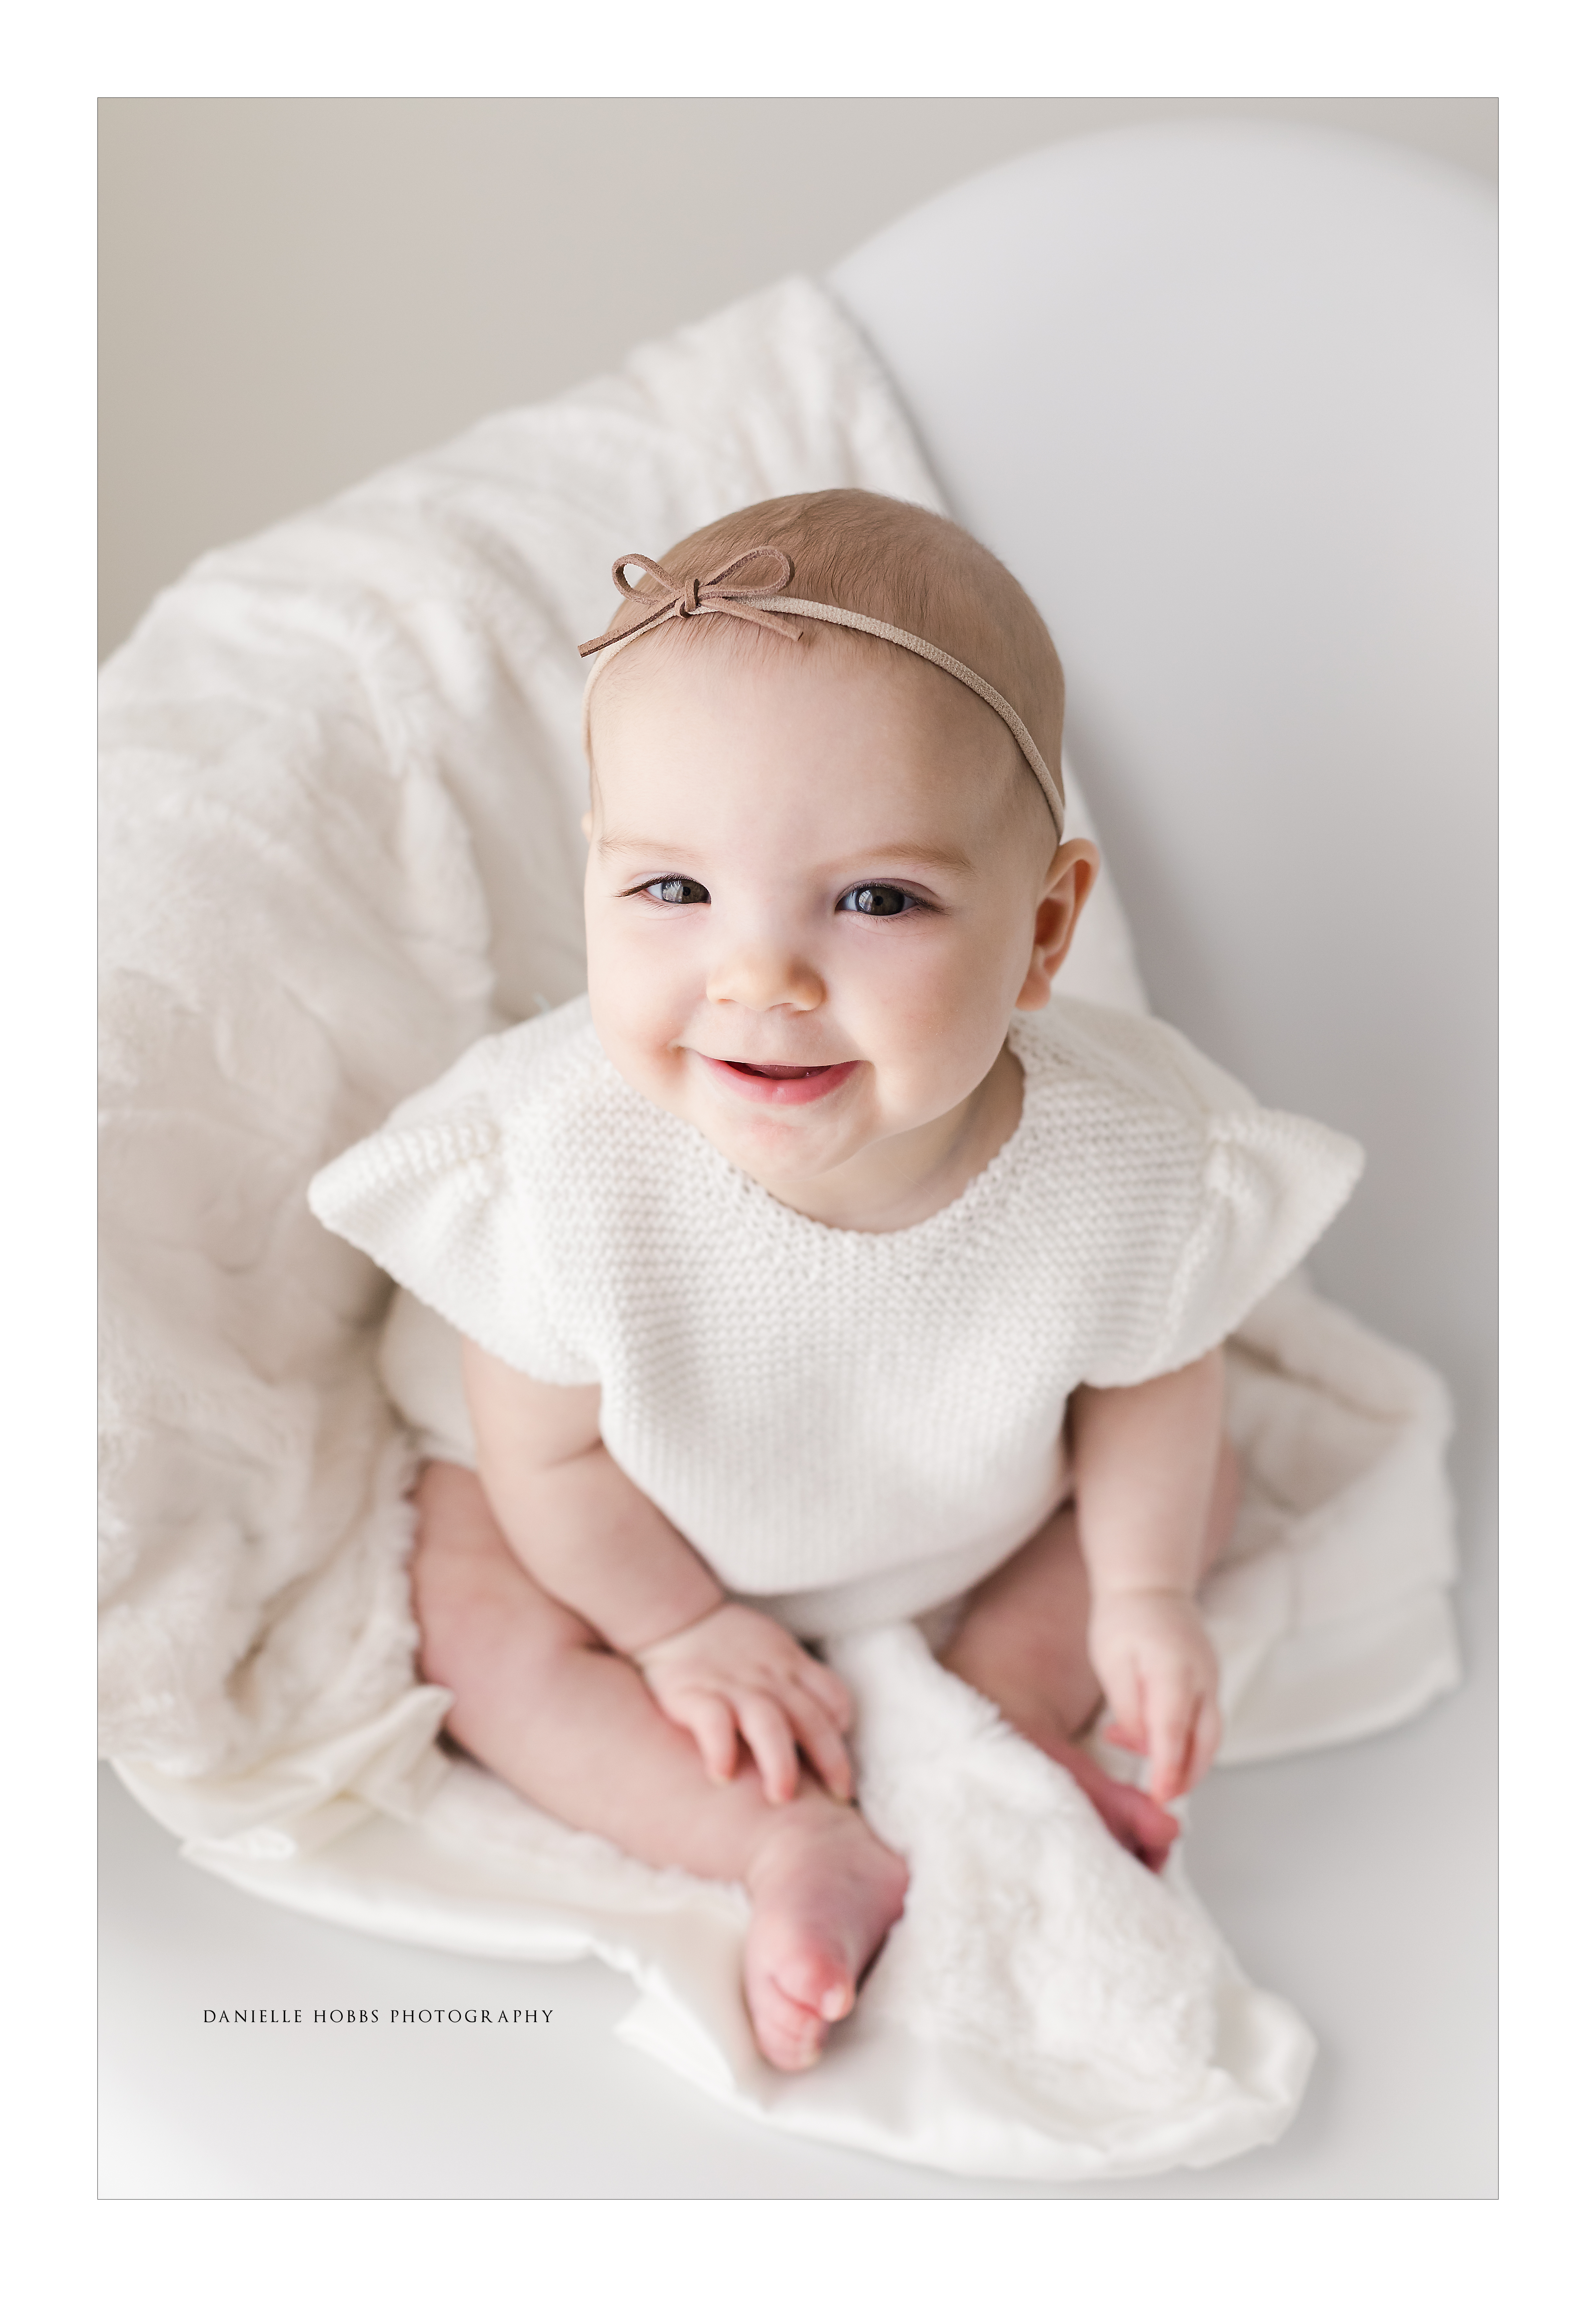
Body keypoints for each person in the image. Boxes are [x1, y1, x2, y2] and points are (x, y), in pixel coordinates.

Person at [311, 489, 1361, 2076]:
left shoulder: (1125, 1157)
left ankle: (1001, 1698)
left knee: (1188, 1478)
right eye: (673, 893)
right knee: (471, 1620)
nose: (759, 977)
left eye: (874, 900)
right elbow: (543, 1454)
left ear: (1041, 928)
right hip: (619, 1530)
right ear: (595, 879)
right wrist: (674, 1630)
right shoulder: (557, 1175)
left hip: (958, 1498)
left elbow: (1153, 1369)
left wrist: (1140, 1593)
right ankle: (782, 1842)